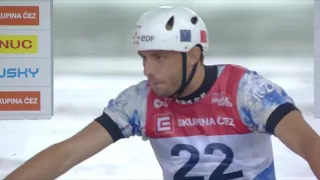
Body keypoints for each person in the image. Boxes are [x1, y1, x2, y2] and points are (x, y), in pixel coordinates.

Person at [4, 6, 320, 180]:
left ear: (194, 55)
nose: (148, 70)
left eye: (160, 58)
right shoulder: (141, 101)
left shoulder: (246, 91)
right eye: (144, 58)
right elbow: (67, 153)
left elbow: (308, 143)